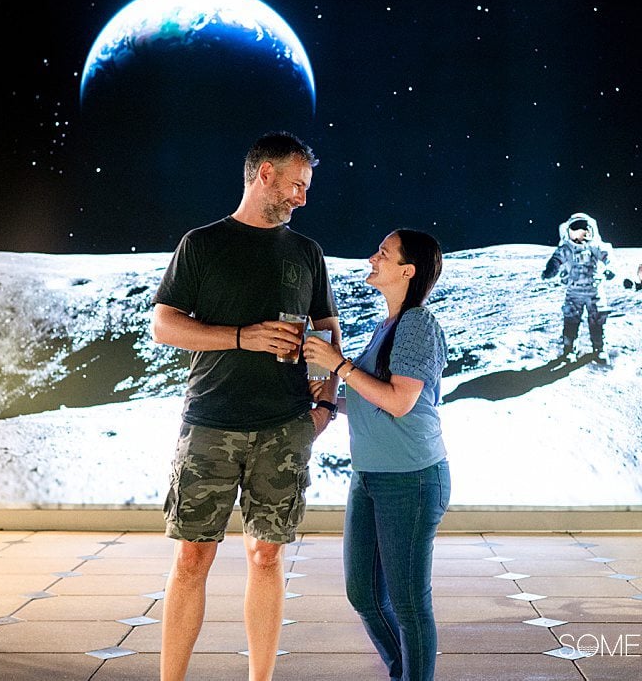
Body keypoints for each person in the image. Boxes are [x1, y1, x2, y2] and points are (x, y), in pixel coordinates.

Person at [151, 131, 341, 681]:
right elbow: (165, 325)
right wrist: (243, 337)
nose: (304, 197)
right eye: (298, 185)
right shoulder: (203, 244)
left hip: (285, 428)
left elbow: (329, 330)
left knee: (267, 555)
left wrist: (325, 405)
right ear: (266, 176)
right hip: (209, 423)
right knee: (192, 559)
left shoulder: (306, 253)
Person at [302, 229, 450, 681]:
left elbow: (401, 401)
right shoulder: (388, 325)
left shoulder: (418, 324)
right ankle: (405, 672)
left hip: (412, 479)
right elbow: (376, 398)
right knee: (363, 594)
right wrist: (330, 403)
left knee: (408, 603)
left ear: (408, 270)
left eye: (383, 254)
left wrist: (339, 366)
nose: (372, 258)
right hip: (369, 476)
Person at [541, 212, 614, 361]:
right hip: (574, 293)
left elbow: (608, 256)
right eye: (575, 231)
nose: (580, 235)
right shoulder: (566, 249)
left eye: (583, 230)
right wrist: (551, 270)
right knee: (571, 322)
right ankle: (569, 351)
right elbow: (556, 260)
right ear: (569, 232)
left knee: (597, 322)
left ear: (590, 231)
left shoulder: (595, 246)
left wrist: (610, 269)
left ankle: (599, 348)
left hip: (594, 292)